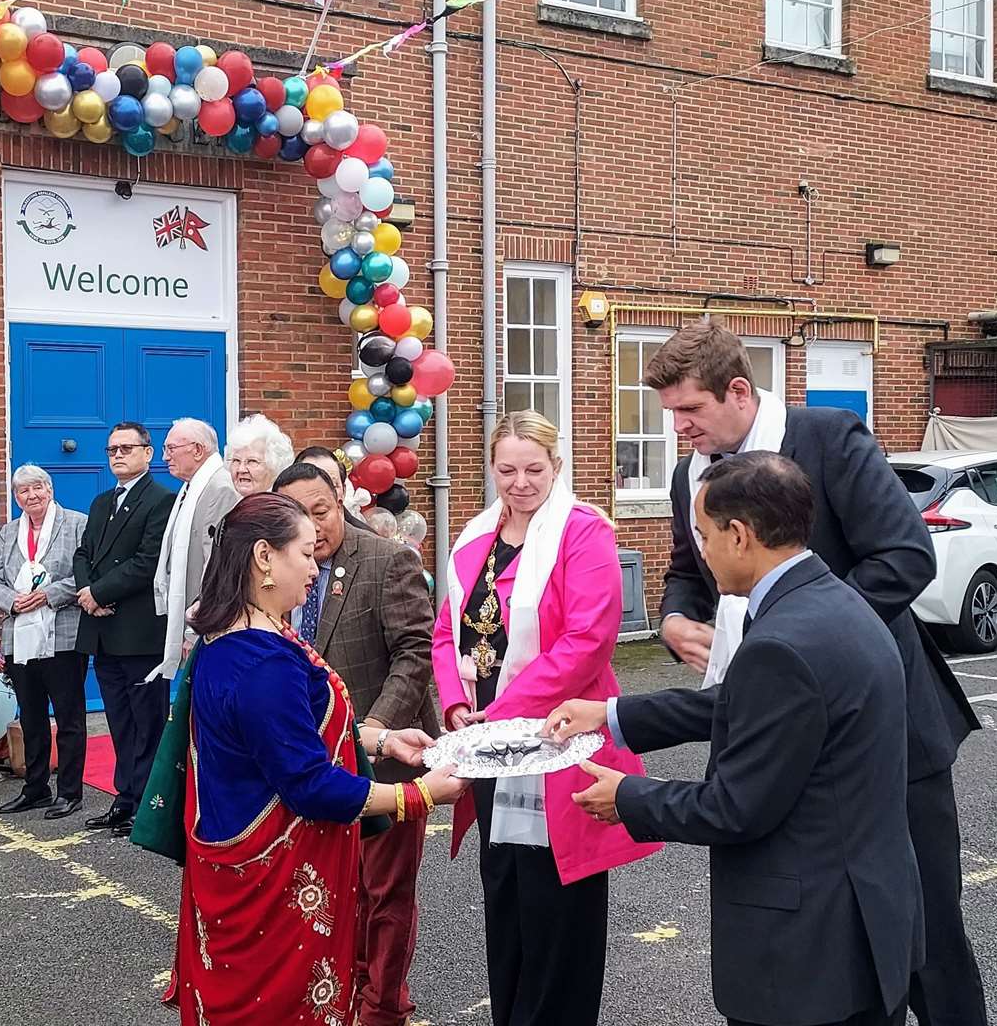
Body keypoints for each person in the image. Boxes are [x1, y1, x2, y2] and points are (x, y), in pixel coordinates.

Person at [645, 323, 985, 1026]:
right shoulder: (692, 473)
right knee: (814, 927)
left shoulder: (830, 436)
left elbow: (905, 555)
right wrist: (674, 618)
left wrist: (807, 643)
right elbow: (686, 572)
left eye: (690, 412)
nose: (679, 430)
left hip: (888, 733)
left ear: (738, 391)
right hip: (771, 720)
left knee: (923, 937)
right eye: (672, 416)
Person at [552, 453, 923, 1026]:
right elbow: (748, 706)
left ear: (740, 536)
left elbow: (735, 808)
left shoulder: (781, 643)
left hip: (806, 957)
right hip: (865, 925)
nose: (700, 551)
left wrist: (627, 798)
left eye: (703, 535)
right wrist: (612, 713)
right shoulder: (835, 602)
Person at [170, 492, 467, 1025]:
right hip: (272, 884)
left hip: (237, 867)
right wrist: (420, 795)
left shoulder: (232, 637)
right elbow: (310, 785)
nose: (315, 567)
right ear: (264, 556)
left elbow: (287, 737)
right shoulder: (263, 662)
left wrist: (381, 742)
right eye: (305, 554)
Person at [432, 410, 661, 1026]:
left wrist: (500, 714)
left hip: (557, 740)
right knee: (504, 896)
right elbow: (447, 629)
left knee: (559, 906)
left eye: (534, 469)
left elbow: (589, 639)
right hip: (490, 743)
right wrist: (455, 700)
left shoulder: (584, 531)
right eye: (506, 469)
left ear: (557, 468)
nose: (520, 482)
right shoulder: (476, 535)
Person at [273, 462, 440, 1026]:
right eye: (301, 517)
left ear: (341, 498)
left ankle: (384, 1005)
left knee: (385, 894)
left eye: (322, 512)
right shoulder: (277, 572)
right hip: (317, 769)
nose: (315, 528)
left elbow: (415, 656)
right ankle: (346, 987)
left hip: (387, 759)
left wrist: (372, 733)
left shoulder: (387, 560)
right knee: (337, 892)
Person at [73, 422, 177, 835]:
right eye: (112, 449)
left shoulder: (161, 501)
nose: (117, 455)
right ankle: (124, 797)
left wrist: (97, 592)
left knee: (146, 722)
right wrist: (86, 591)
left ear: (147, 454)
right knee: (118, 720)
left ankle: (147, 806)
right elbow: (84, 552)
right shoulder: (101, 502)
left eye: (126, 448)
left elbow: (147, 561)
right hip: (102, 629)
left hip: (138, 631)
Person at [0, 464, 89, 818]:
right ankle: (36, 788)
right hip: (20, 636)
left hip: (62, 635)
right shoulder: (8, 532)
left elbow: (86, 576)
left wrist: (48, 594)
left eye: (38, 488)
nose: (32, 496)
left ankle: (70, 791)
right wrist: (10, 600)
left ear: (50, 489)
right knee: (31, 717)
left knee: (69, 717)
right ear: (16, 497)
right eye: (23, 491)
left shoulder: (77, 523)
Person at [153, 418, 240, 677]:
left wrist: (194, 629)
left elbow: (216, 564)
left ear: (198, 450)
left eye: (171, 448)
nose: (165, 456)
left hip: (207, 624)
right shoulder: (190, 488)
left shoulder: (219, 488)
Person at [297, 444, 373, 530]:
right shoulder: (282, 532)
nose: (322, 492)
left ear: (344, 491)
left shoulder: (367, 540)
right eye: (312, 484)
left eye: (333, 485)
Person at [223, 412, 293, 496]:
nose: (241, 469)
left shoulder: (278, 507)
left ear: (274, 466)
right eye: (236, 460)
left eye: (252, 461)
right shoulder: (234, 504)